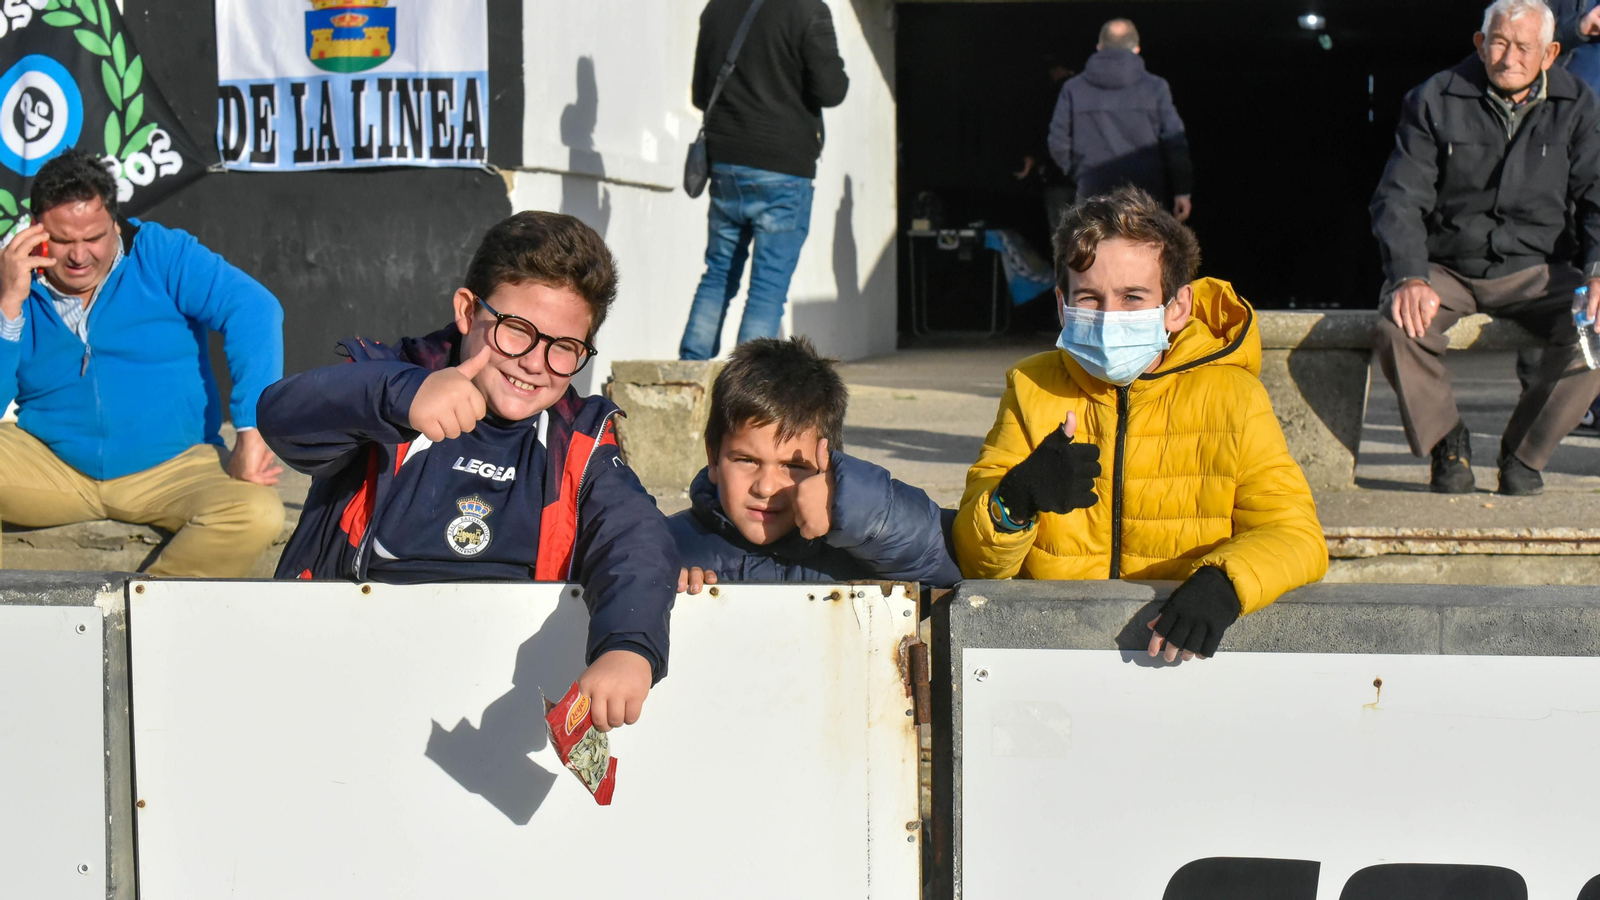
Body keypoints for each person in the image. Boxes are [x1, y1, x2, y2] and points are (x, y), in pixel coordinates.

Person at [258, 211, 677, 732]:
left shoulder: (581, 438)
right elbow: (281, 418)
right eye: (518, 331)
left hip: (495, 708)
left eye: (564, 348)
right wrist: (401, 396)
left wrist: (629, 646)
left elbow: (636, 537)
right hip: (345, 689)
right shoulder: (383, 387)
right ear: (466, 310)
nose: (535, 362)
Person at [953, 187, 1327, 662]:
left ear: (1177, 307)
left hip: (1174, 656)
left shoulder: (1235, 399)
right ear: (1063, 305)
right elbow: (974, 559)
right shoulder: (1031, 388)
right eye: (1089, 297)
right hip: (1056, 656)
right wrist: (1014, 500)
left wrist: (1226, 580)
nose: (1110, 317)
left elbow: (1297, 535)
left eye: (1133, 297)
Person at [0, 150, 284, 577]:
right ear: (35, 229)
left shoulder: (160, 253)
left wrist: (251, 430)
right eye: (61, 240)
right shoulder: (12, 278)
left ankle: (140, 615)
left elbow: (255, 309)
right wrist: (8, 307)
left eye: (93, 237)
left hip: (175, 467)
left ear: (115, 223)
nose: (79, 255)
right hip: (52, 465)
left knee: (256, 513)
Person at [1370, 0, 1600, 496]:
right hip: (1448, 267)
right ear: (1479, 42)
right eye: (1498, 42)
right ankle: (1447, 440)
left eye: (1524, 47)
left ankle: (1523, 454)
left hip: (1540, 271)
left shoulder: (1579, 104)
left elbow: (1597, 198)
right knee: (1396, 326)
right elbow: (1398, 198)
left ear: (1550, 53)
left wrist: (1598, 271)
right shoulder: (1434, 97)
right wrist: (1409, 275)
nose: (1508, 57)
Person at [669, 336, 960, 591]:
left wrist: (854, 510)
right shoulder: (664, 546)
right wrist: (659, 582)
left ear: (826, 466)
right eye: (747, 460)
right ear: (714, 458)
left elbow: (944, 556)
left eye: (792, 466)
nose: (766, 487)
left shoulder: (861, 547)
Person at [678, 0, 849, 361]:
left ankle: (688, 373)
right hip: (783, 169)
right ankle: (745, 386)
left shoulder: (717, 9)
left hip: (726, 166)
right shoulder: (808, 10)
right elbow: (831, 90)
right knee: (767, 288)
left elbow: (699, 93)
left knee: (718, 273)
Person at [1047, 19, 1193, 222]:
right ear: (1136, 49)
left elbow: (1057, 141)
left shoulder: (1073, 89)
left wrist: (1080, 173)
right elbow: (1175, 143)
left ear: (1099, 47)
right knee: (1143, 251)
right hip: (1146, 197)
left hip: (1093, 194)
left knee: (1098, 251)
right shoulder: (1155, 88)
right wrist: (1182, 191)